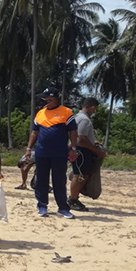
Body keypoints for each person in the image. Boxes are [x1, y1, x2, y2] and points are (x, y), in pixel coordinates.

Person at [25, 87, 78, 219]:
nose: (45, 101)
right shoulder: (40, 114)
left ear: (54, 98)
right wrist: (28, 148)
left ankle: (63, 208)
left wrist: (73, 149)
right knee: (41, 180)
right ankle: (42, 206)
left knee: (59, 181)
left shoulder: (66, 112)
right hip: (42, 152)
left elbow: (73, 132)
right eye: (44, 98)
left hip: (59, 153)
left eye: (47, 98)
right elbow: (34, 132)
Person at [68, 98, 107, 211]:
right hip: (82, 151)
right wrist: (97, 151)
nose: (94, 112)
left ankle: (74, 197)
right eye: (94, 109)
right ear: (92, 107)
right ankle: (72, 200)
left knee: (83, 175)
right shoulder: (85, 120)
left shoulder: (76, 117)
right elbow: (81, 138)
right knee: (79, 175)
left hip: (77, 149)